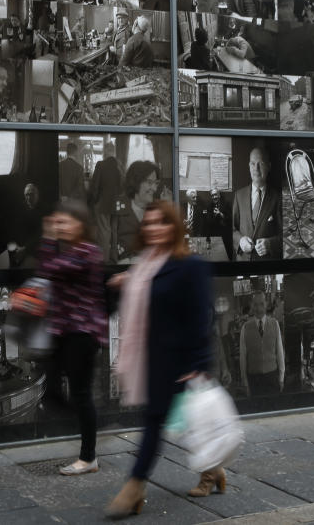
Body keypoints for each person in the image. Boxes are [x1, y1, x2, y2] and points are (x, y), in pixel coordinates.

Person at [104, 199, 214, 518]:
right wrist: (120, 283)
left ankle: (134, 486)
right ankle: (214, 470)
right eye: (149, 223)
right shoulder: (143, 265)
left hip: (180, 359)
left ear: (174, 227)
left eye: (161, 222)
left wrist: (198, 364)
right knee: (184, 422)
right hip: (152, 357)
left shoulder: (189, 264)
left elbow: (202, 317)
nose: (153, 228)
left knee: (157, 421)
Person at [37, 201, 107, 477]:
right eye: (58, 222)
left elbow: (49, 269)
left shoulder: (88, 253)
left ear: (80, 224)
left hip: (82, 333)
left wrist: (47, 238)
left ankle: (88, 456)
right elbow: (48, 270)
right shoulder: (70, 251)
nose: (60, 227)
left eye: (65, 222)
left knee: (81, 394)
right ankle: (87, 423)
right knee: (52, 393)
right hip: (62, 332)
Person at [232, 147, 281, 260]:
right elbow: (232, 228)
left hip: (266, 264)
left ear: (269, 166)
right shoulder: (239, 195)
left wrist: (270, 244)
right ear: (249, 166)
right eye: (253, 164)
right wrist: (240, 240)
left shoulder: (277, 197)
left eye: (261, 164)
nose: (256, 168)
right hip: (243, 261)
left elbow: (286, 235)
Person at [112, 160, 162, 263]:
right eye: (149, 182)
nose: (154, 188)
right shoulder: (117, 207)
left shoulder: (157, 211)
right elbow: (107, 244)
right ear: (136, 182)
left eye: (156, 183)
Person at [239, 292, 285, 397]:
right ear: (251, 305)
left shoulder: (275, 324)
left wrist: (281, 378)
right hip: (254, 380)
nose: (258, 308)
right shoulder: (245, 328)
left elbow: (280, 352)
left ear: (266, 304)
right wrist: (245, 383)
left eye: (261, 304)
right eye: (255, 304)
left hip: (272, 377)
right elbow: (243, 358)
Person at [88, 142, 122, 261]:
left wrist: (94, 201)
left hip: (103, 203)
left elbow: (95, 186)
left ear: (106, 151)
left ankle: (105, 260)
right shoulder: (119, 167)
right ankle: (114, 257)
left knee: (104, 231)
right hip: (117, 204)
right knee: (114, 230)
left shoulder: (101, 165)